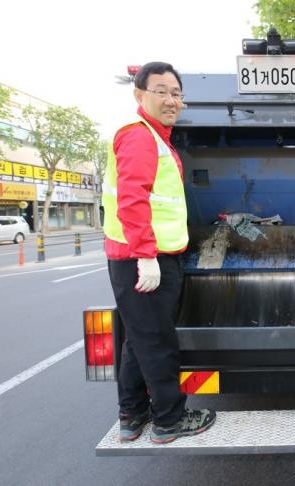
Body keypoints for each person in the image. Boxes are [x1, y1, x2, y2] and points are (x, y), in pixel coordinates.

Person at [103, 61, 215, 444]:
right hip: (143, 260)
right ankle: (169, 420)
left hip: (141, 256)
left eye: (176, 93)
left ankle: (132, 415)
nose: (170, 100)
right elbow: (133, 200)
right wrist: (147, 255)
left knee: (138, 338)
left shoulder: (155, 138)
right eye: (161, 91)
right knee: (156, 341)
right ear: (140, 95)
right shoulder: (139, 137)